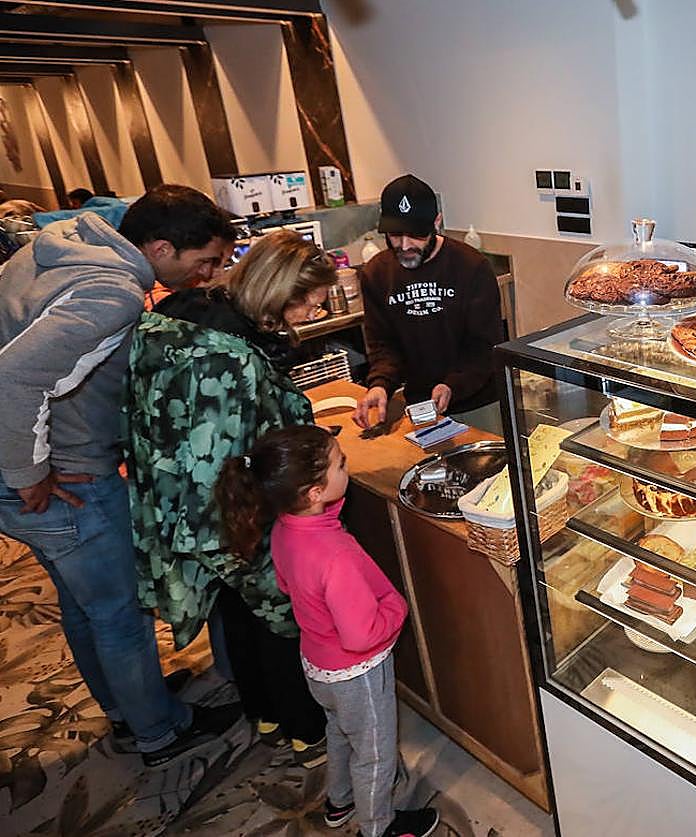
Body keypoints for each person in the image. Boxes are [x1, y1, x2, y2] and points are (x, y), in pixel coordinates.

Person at [0, 183, 239, 766]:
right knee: (120, 614)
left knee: (81, 603)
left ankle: (125, 707)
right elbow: (13, 379)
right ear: (160, 249)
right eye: (205, 261)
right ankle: (159, 733)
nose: (208, 275)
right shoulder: (113, 292)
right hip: (63, 477)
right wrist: (29, 473)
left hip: (42, 459)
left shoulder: (65, 242)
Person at [126, 229, 333, 766]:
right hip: (234, 510)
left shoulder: (185, 314)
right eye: (309, 303)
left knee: (237, 612)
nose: (313, 314)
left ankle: (264, 714)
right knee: (280, 615)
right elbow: (226, 455)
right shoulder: (232, 358)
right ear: (278, 292)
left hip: (179, 502)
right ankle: (306, 730)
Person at [215, 425, 440, 837]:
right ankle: (379, 827)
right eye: (340, 464)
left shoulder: (285, 529)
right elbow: (360, 635)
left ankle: (340, 800)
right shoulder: (335, 556)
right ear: (314, 493)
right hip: (358, 672)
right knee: (374, 752)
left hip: (319, 665)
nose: (346, 467)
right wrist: (397, 609)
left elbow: (287, 584)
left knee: (338, 731)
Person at [352, 174, 504, 435]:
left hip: (478, 402)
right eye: (395, 235)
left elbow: (485, 346)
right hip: (419, 403)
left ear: (437, 222)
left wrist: (452, 385)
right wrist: (380, 385)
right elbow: (383, 345)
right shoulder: (377, 273)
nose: (405, 245)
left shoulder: (471, 266)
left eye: (416, 234)